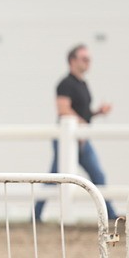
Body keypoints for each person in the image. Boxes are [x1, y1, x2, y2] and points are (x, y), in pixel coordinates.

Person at [34, 44, 118, 222]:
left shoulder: (83, 84)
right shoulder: (65, 84)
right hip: (67, 140)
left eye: (89, 59)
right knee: (54, 179)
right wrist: (79, 127)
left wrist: (97, 113)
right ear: (73, 61)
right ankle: (35, 216)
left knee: (97, 176)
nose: (88, 62)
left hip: (80, 138)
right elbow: (63, 111)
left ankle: (110, 214)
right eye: (84, 58)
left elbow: (82, 113)